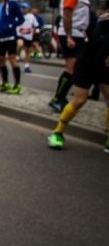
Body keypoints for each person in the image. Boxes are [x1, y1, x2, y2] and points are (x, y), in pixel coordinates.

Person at [47, 11, 109, 153]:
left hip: (105, 65)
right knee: (80, 100)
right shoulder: (103, 20)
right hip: (87, 63)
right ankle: (57, 132)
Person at [49, 0, 91, 112]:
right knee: (71, 68)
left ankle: (63, 96)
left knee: (76, 68)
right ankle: (57, 98)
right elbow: (67, 14)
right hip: (71, 34)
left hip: (79, 34)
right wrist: (68, 36)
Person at [16, 1, 40, 73]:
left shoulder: (31, 16)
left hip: (29, 36)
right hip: (20, 34)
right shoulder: (17, 15)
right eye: (22, 8)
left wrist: (37, 30)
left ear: (28, 9)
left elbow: (36, 25)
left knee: (28, 51)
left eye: (24, 8)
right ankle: (17, 55)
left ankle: (27, 66)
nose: (23, 9)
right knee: (20, 44)